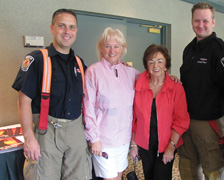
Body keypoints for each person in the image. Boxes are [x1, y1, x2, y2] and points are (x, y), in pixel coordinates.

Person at [12, 9, 91, 180]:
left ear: (76, 31)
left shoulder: (79, 63)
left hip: (75, 130)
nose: (67, 32)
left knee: (80, 176)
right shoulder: (37, 60)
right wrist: (29, 138)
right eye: (62, 26)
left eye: (72, 27)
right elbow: (23, 100)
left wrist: (119, 67)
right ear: (52, 28)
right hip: (45, 131)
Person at [179, 2, 224, 180]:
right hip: (187, 122)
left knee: (213, 171)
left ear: (213, 22)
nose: (200, 25)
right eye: (197, 20)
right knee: (188, 168)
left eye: (205, 20)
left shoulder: (222, 52)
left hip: (210, 124)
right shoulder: (189, 49)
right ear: (192, 21)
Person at [83, 27, 140, 180]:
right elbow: (87, 108)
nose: (112, 50)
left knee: (118, 177)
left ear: (123, 49)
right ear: (101, 48)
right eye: (107, 46)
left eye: (117, 46)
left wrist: (170, 77)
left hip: (123, 139)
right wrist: (94, 139)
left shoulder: (130, 72)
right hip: (104, 140)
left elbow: (153, 80)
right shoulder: (93, 72)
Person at [129, 44, 190, 180]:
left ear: (166, 65)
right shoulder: (139, 86)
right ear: (146, 65)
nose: (155, 65)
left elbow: (181, 121)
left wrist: (171, 146)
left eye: (159, 61)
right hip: (145, 144)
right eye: (151, 61)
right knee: (149, 176)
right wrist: (133, 144)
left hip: (166, 144)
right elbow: (134, 119)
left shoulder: (176, 88)